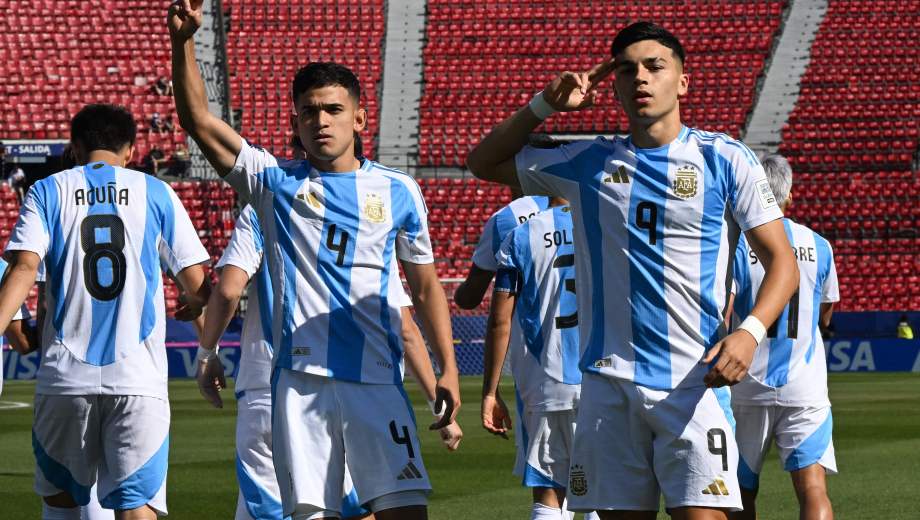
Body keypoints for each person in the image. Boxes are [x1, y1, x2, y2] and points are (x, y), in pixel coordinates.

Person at [467, 21, 799, 519]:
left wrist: (750, 333)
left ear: (683, 81)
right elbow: (482, 161)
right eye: (626, 70)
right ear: (614, 85)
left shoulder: (724, 158)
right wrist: (545, 104)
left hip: (694, 381)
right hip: (607, 387)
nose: (640, 77)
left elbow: (783, 262)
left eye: (654, 66)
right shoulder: (589, 160)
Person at [169, 2, 461, 519]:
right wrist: (184, 43)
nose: (320, 121)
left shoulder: (398, 191)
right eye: (308, 111)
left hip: (376, 379)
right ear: (296, 120)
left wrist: (449, 371)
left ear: (359, 117)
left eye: (332, 110)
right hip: (299, 383)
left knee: (407, 511)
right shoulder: (272, 182)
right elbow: (198, 122)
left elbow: (425, 288)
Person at [0, 103, 211, 519]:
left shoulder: (47, 190)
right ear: (131, 151)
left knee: (60, 505)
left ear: (75, 148)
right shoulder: (157, 192)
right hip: (138, 377)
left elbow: (24, 268)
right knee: (136, 509)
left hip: (65, 376)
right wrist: (203, 333)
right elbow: (197, 282)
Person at [198, 205, 463, 520]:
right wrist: (438, 405)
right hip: (351, 387)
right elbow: (404, 328)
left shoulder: (264, 203)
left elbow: (228, 291)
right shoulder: (366, 215)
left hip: (269, 385)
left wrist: (207, 353)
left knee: (275, 509)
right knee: (362, 506)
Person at [729, 154, 838, 520]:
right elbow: (826, 312)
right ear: (789, 195)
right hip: (803, 382)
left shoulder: (739, 246)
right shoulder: (819, 245)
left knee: (741, 492)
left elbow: (725, 311)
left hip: (744, 381)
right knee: (812, 488)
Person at [482, 199, 598, 520]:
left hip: (547, 383)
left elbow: (498, 321)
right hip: (602, 381)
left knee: (549, 493)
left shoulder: (522, 235)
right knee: (604, 491)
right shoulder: (603, 223)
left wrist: (490, 393)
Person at [453, 190, 550, 310]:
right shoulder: (572, 207)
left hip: (525, 324)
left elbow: (469, 298)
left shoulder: (506, 216)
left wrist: (455, 295)